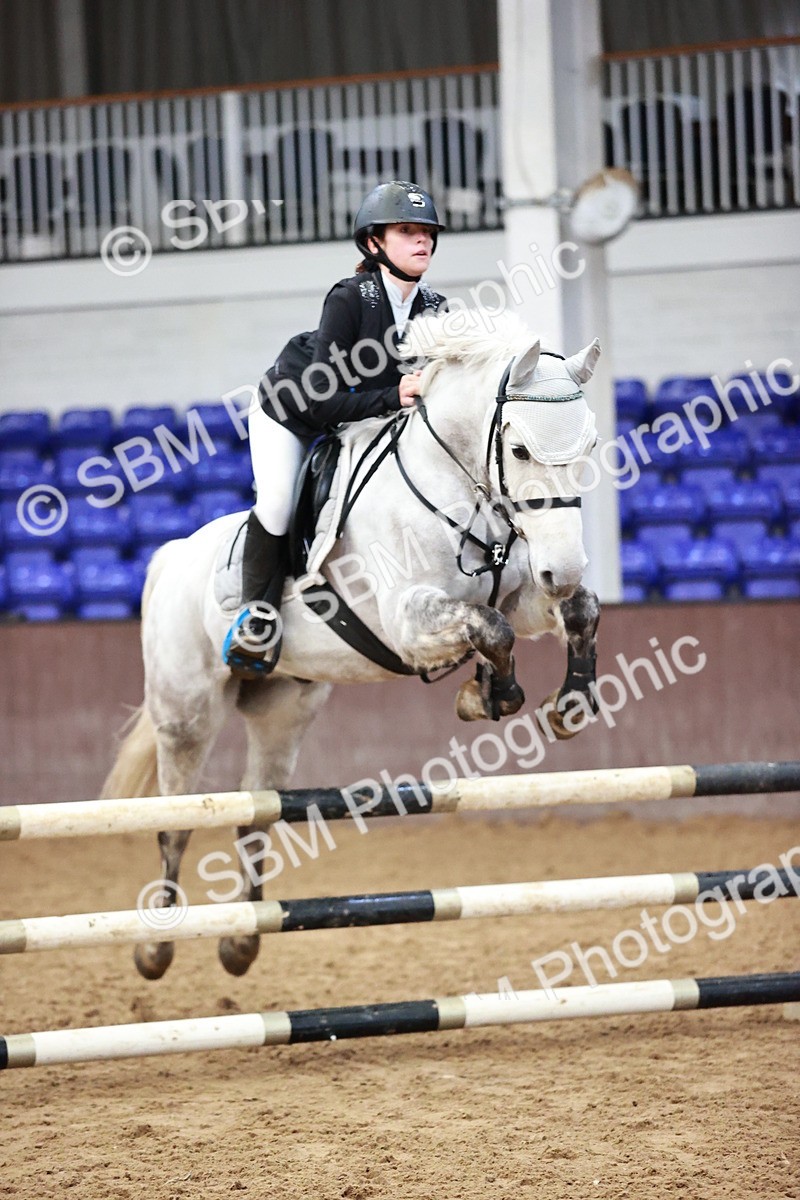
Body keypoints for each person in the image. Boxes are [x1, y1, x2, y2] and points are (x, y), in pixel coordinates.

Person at [222, 180, 447, 678]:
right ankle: (256, 616)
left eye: (428, 232)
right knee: (277, 503)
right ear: (373, 243)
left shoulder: (436, 307)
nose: (422, 240)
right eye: (406, 231)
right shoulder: (350, 297)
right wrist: (394, 396)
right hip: (293, 410)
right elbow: (323, 399)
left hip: (363, 418)